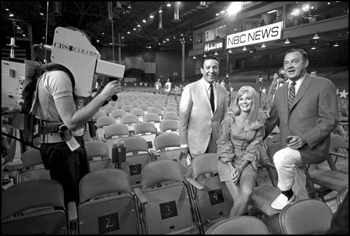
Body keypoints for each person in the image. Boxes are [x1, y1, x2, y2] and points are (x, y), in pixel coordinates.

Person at [30, 62, 122, 207]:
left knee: (83, 194)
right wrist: (103, 94)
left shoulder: (63, 75)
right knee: (71, 201)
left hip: (70, 143)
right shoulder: (59, 76)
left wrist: (103, 93)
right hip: (61, 146)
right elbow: (71, 122)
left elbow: (82, 109)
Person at [264, 48, 339, 210]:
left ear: (305, 63)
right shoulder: (280, 91)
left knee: (281, 158)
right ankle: (303, 215)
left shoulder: (323, 85)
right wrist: (250, 140)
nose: (289, 66)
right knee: (298, 188)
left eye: (294, 61)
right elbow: (271, 121)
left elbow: (330, 119)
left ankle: (286, 194)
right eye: (286, 63)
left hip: (312, 147)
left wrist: (304, 138)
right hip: (289, 148)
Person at [217, 86, 265, 217]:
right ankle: (235, 226)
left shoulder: (259, 122)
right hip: (227, 161)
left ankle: (230, 225)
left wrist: (241, 168)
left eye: (248, 98)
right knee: (240, 200)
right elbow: (222, 143)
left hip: (247, 161)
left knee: (247, 193)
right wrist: (232, 167)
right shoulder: (229, 118)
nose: (244, 102)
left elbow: (254, 148)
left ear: (254, 100)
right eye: (241, 99)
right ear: (237, 101)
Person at [179, 54, 228, 171]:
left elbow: (224, 118)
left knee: (213, 173)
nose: (211, 71)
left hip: (216, 142)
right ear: (202, 70)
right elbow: (183, 120)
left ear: (218, 69)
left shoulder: (223, 91)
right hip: (196, 143)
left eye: (215, 67)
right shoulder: (190, 89)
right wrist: (184, 145)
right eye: (208, 67)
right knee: (197, 174)